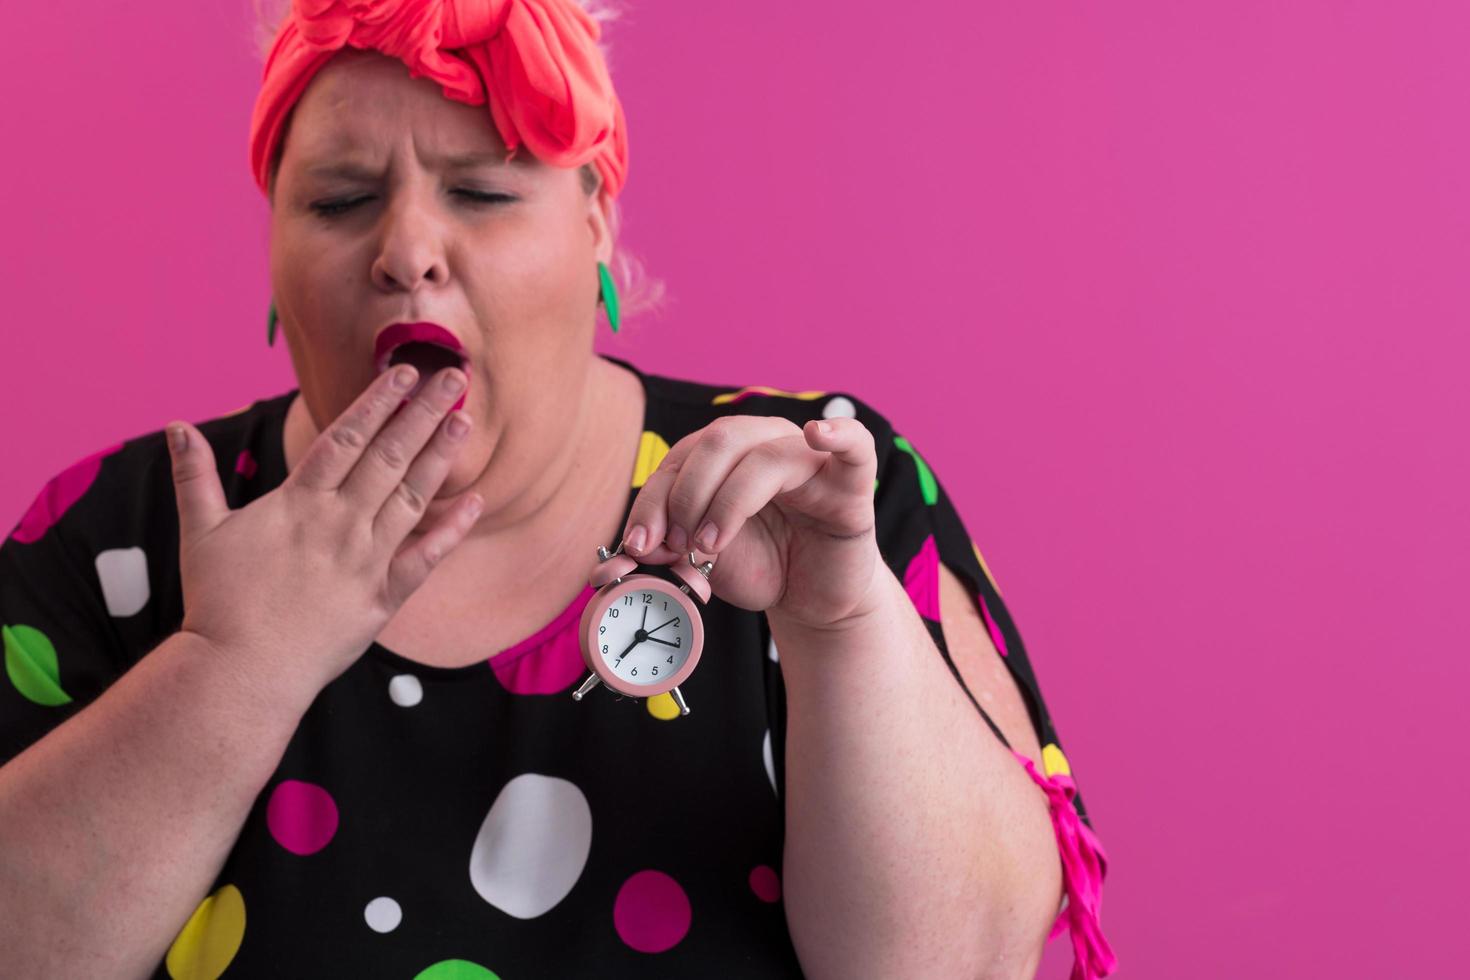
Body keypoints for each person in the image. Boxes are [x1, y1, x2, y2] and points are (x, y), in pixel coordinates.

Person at [0, 0, 1115, 977]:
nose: (409, 250)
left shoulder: (816, 486)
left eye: (482, 191)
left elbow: (968, 963)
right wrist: (232, 669)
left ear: (596, 224)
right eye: (340, 199)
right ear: (274, 255)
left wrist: (839, 620)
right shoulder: (122, 532)